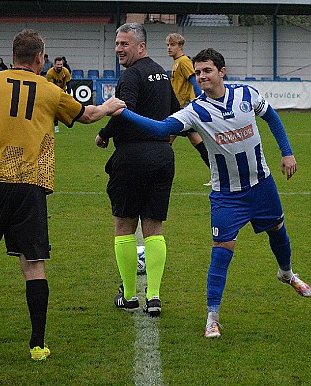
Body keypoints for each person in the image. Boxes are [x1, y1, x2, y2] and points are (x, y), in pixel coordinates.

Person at [0, 29, 125, 361]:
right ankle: (37, 344)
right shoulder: (50, 89)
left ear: (13, 56)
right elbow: (87, 115)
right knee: (33, 264)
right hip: (30, 183)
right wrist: (110, 105)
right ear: (40, 58)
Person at [116, 47, 311, 338]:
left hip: (261, 183)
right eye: (198, 72)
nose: (202, 76)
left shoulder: (246, 94)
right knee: (222, 251)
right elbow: (161, 129)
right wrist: (125, 113)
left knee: (278, 229)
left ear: (221, 72)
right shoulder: (195, 110)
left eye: (207, 70)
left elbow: (272, 118)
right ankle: (212, 317)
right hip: (226, 194)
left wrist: (287, 153)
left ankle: (287, 273)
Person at [95, 23, 180, 317]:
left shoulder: (131, 75)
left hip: (131, 157)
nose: (119, 48)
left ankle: (130, 295)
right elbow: (177, 113)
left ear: (140, 46)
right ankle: (154, 296)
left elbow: (122, 111)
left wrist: (104, 133)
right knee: (154, 227)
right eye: (117, 43)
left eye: (124, 44)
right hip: (161, 156)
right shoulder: (162, 73)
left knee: (124, 226)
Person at [166, 33, 211, 186]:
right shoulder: (177, 62)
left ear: (180, 46)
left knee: (165, 139)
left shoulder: (184, 61)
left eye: (172, 45)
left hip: (183, 109)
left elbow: (195, 82)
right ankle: (218, 173)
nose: (169, 48)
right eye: (167, 45)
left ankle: (158, 172)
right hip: (180, 109)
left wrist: (200, 101)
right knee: (195, 140)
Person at [46, 57, 72, 133]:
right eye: (58, 64)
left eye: (61, 64)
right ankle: (56, 125)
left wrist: (69, 93)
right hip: (53, 92)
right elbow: (51, 86)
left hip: (62, 92)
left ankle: (68, 122)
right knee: (54, 109)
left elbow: (68, 83)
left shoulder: (65, 71)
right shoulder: (50, 73)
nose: (59, 66)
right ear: (54, 64)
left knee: (66, 108)